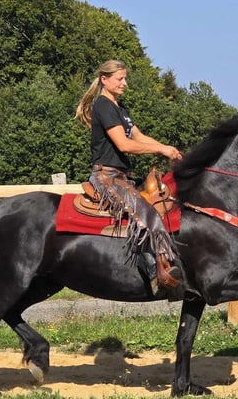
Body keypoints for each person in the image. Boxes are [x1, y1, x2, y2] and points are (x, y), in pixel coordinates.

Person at [75, 59, 184, 297]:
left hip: (122, 177)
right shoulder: (103, 105)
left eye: (125, 78)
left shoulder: (119, 110)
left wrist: (166, 147)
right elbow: (124, 144)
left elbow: (138, 136)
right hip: (106, 177)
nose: (124, 83)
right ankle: (158, 272)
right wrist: (160, 150)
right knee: (148, 214)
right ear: (104, 80)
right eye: (119, 79)